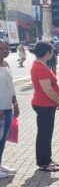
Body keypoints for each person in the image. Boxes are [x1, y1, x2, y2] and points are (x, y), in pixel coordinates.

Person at [30, 42, 59, 172]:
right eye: (52, 50)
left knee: (46, 133)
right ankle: (43, 162)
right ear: (47, 52)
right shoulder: (40, 67)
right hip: (44, 104)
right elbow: (47, 89)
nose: (53, 52)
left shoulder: (42, 64)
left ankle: (47, 159)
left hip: (46, 104)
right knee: (44, 134)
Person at [0, 40, 20, 178]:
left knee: (2, 138)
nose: (4, 50)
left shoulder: (6, 64)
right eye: (1, 48)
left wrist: (16, 103)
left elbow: (10, 86)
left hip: (7, 107)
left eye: (6, 48)